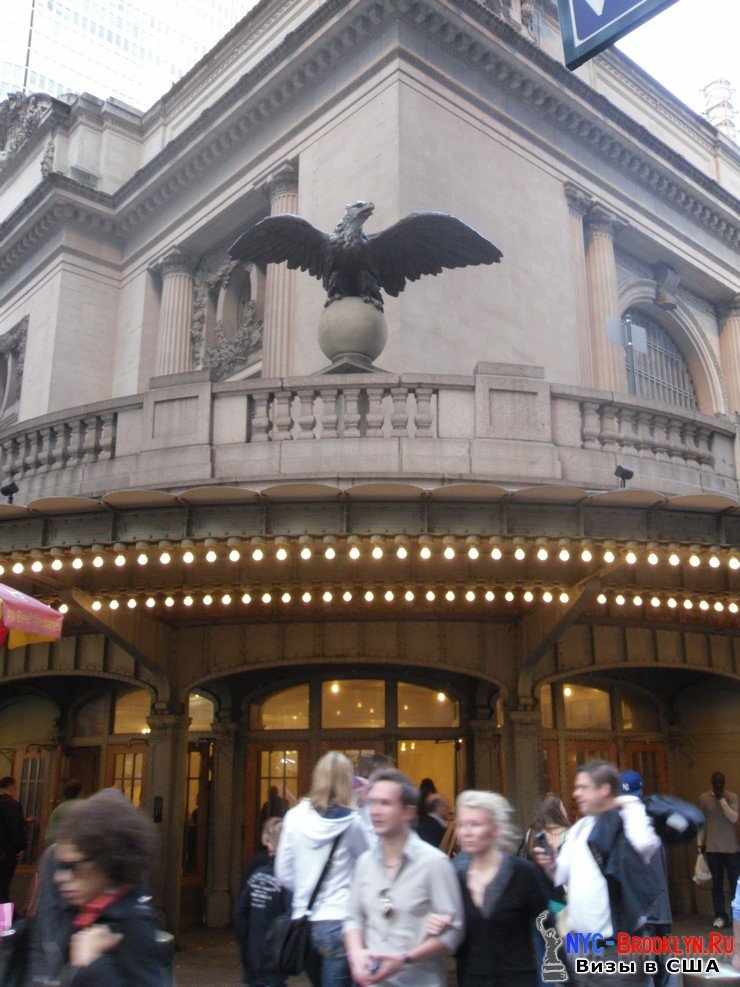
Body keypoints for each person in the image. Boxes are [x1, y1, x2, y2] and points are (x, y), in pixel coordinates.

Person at [533, 760, 661, 987]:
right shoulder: (579, 829)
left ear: (603, 790)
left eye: (583, 787)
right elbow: (560, 875)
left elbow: (645, 844)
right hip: (580, 948)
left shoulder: (629, 822)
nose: (575, 794)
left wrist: (628, 802)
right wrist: (549, 864)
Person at [32, 788, 168, 985]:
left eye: (73, 867)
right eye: (61, 865)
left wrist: (90, 966)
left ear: (105, 863)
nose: (61, 877)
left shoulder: (130, 923)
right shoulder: (88, 913)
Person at [344, 767, 463, 986]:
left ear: (408, 812)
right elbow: (353, 918)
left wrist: (403, 959)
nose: (375, 811)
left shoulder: (434, 863)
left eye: (385, 803)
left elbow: (453, 931)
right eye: (372, 803)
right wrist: (356, 954)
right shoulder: (364, 863)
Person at [427, 790, 547, 987]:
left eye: (475, 824)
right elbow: (453, 942)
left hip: (519, 980)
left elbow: (547, 931)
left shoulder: (522, 873)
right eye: (462, 825)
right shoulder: (454, 876)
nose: (466, 832)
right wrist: (438, 925)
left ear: (495, 829)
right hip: (472, 980)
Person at [275, 751, 370, 987]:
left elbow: (283, 872)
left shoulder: (294, 817)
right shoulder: (353, 822)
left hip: (303, 921)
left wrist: (305, 890)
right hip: (341, 919)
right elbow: (370, 864)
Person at [619, 770, 676, 987]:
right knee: (663, 969)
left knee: (643, 973)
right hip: (660, 908)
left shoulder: (621, 824)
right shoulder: (655, 819)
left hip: (639, 911)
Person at [235, 816, 287, 987]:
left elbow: (240, 912)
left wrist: (245, 941)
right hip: (274, 952)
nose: (268, 846)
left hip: (254, 947)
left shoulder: (257, 871)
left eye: (270, 841)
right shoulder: (288, 876)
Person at [697, 771, 739, 929]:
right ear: (711, 783)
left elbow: (733, 818)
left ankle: (735, 917)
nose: (718, 786)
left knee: (735, 885)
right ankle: (720, 916)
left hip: (732, 849)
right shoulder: (703, 799)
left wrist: (722, 800)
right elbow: (701, 824)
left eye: (721, 783)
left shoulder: (732, 797)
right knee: (717, 884)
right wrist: (699, 844)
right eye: (716, 783)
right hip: (713, 848)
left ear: (724, 783)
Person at [0, 777, 26, 904]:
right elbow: (16, 828)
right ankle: (3, 922)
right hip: (7, 852)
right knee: (4, 888)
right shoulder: (14, 805)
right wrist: (20, 848)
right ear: (11, 787)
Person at [46, 779, 84, 846]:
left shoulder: (59, 809)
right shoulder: (83, 807)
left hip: (56, 846)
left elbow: (49, 836)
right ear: (80, 792)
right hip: (75, 847)